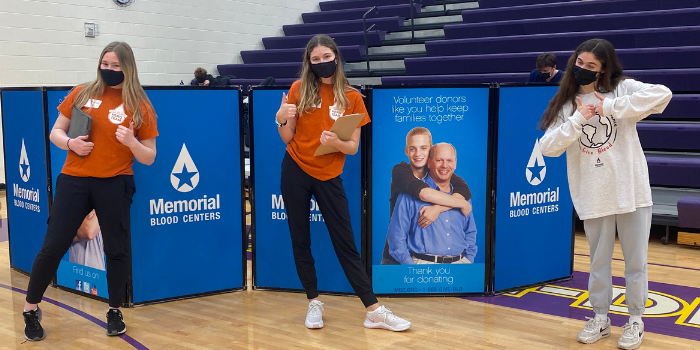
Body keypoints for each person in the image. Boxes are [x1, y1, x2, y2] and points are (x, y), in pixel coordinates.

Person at [539, 38, 671, 350]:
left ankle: (636, 319)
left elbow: (662, 94)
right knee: (598, 262)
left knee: (635, 261)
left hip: (631, 190)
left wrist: (609, 106)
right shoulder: (565, 102)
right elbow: (548, 147)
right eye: (579, 63)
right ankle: (600, 317)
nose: (582, 69)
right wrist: (577, 120)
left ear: (603, 71)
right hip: (593, 193)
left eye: (591, 66)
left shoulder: (622, 90)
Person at [21, 41, 158, 341]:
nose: (108, 70)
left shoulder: (140, 104)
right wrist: (71, 143)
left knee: (116, 249)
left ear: (128, 68)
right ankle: (31, 310)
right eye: (104, 64)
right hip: (74, 180)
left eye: (115, 66)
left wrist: (132, 143)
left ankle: (114, 310)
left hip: (115, 182)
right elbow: (56, 132)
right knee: (54, 245)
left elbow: (149, 156)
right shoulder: (83, 92)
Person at [275, 34, 410, 332]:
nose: (322, 63)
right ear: (308, 63)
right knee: (300, 238)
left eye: (326, 57)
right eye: (315, 59)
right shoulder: (298, 89)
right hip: (295, 169)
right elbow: (288, 137)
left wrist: (337, 140)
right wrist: (281, 118)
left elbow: (352, 148)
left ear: (336, 57)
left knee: (345, 242)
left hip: (329, 175)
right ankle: (313, 301)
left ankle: (372, 310)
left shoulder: (352, 97)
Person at [381, 127, 473, 265]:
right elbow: (424, 193)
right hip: (397, 257)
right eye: (413, 148)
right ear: (406, 151)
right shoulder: (400, 171)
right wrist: (462, 203)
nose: (418, 153)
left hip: (448, 262)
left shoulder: (440, 171)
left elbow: (464, 190)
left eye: (423, 148)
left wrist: (438, 209)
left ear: (430, 150)